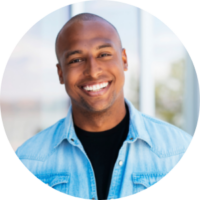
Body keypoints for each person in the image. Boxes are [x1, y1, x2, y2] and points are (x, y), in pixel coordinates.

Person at [14, 13, 193, 199]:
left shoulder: (178, 152)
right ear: (60, 73)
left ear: (124, 60)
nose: (92, 71)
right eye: (76, 60)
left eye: (104, 54)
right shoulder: (28, 161)